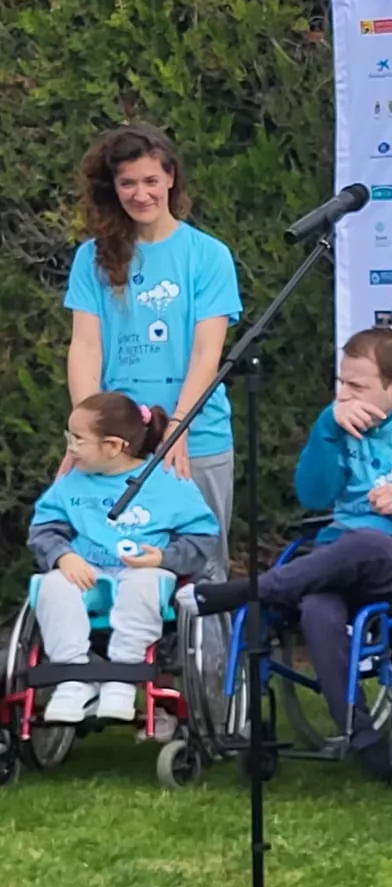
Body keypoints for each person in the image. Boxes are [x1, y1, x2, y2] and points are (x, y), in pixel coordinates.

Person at [188, 328, 392, 784]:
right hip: (337, 556)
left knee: (362, 544)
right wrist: (327, 428)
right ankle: (364, 740)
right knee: (316, 608)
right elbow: (313, 494)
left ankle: (248, 590)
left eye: (357, 386)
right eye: (342, 383)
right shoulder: (338, 421)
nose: (345, 394)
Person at [65, 123, 242, 579]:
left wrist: (178, 428)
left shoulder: (209, 255)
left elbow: (207, 354)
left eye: (150, 181)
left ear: (170, 178)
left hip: (196, 441)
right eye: (128, 183)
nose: (140, 194)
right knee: (109, 562)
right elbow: (86, 347)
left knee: (201, 570)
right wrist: (85, 429)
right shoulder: (92, 258)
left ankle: (212, 654)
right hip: (119, 439)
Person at [28, 392, 221, 729]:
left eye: (77, 439)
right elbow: (43, 529)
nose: (70, 446)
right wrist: (64, 555)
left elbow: (203, 537)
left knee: (143, 582)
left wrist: (165, 558)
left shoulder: (167, 482)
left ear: (114, 446)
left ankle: (123, 677)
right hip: (87, 577)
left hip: (144, 577)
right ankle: (72, 680)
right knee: (52, 584)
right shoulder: (71, 484)